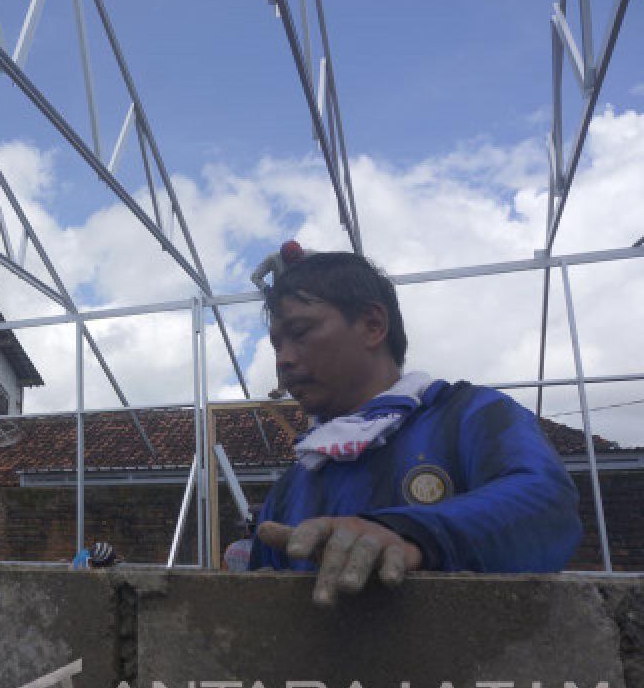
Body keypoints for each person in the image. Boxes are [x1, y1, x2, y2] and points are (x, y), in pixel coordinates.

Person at [249, 252, 581, 605]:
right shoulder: (296, 480)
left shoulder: (468, 416)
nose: (282, 360)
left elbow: (547, 503)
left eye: (299, 333)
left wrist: (413, 534)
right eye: (276, 345)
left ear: (374, 325)